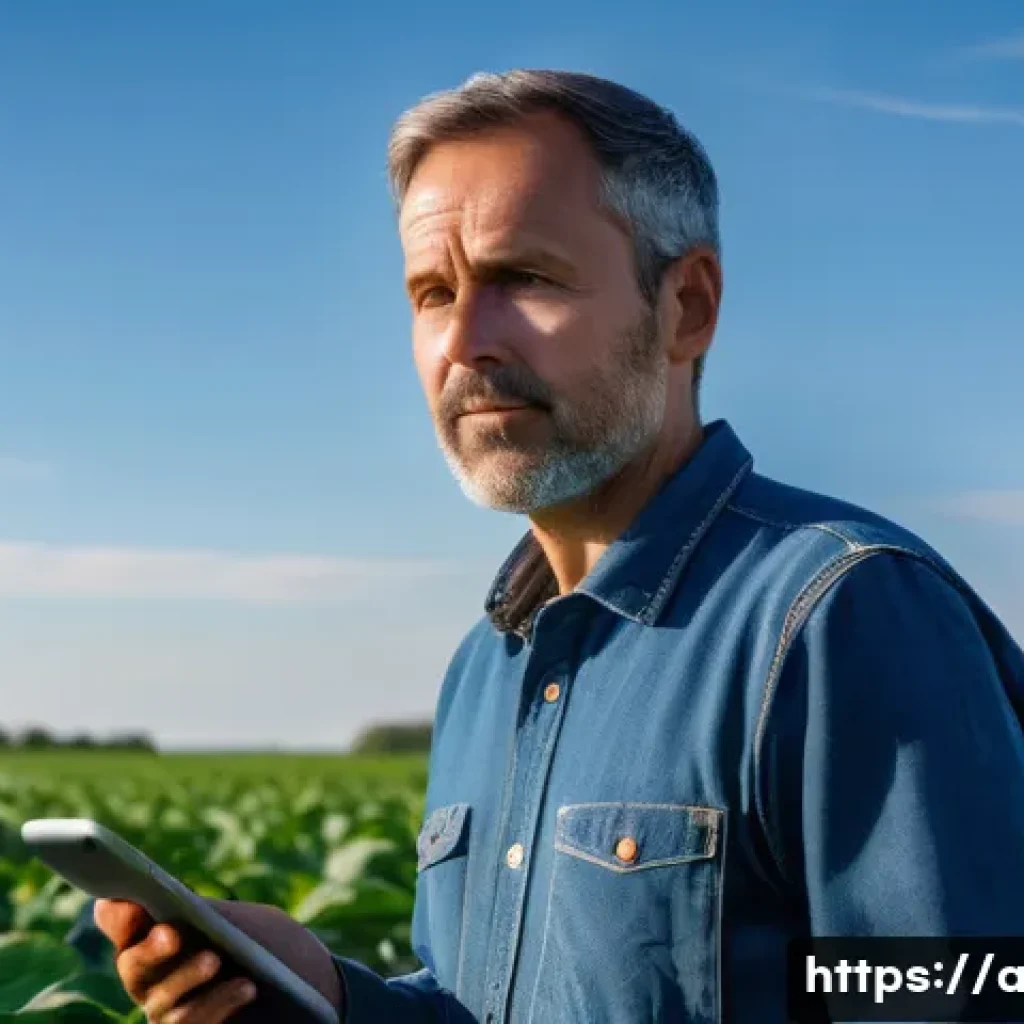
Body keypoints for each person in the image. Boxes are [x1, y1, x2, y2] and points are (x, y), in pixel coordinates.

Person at [95, 69, 1024, 1023]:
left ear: (688, 306)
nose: (465, 340)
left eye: (523, 279)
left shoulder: (843, 616)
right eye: (431, 292)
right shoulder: (487, 665)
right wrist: (327, 993)